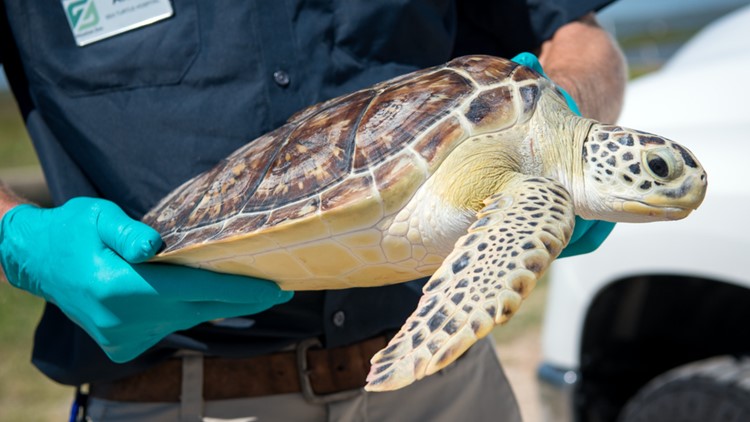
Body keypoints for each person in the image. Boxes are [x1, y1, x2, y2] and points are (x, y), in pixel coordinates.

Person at [0, 1, 626, 421]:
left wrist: (562, 110)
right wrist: (15, 233)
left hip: (444, 387)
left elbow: (578, 34)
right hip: (177, 396)